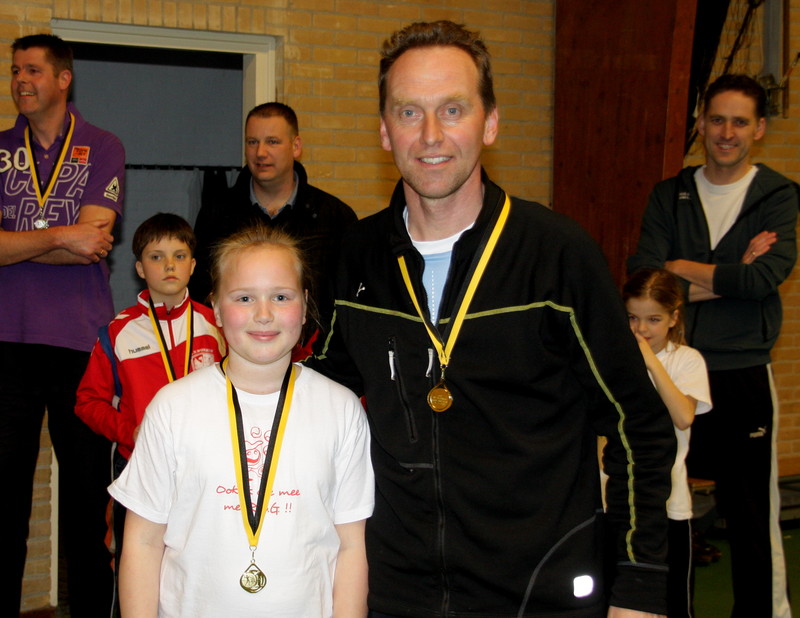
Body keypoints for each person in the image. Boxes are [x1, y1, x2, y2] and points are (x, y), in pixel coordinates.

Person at [311, 20, 675, 618]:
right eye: (409, 112)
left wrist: (639, 587)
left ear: (491, 123)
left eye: (453, 109)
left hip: (540, 590)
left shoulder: (557, 255)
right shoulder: (355, 255)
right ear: (383, 129)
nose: (431, 135)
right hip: (397, 592)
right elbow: (321, 395)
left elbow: (639, 424)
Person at [110, 225, 374, 617]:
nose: (263, 314)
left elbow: (351, 545)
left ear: (304, 304)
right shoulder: (172, 407)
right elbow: (143, 542)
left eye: (280, 297)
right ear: (216, 308)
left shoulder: (342, 409)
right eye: (244, 298)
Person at [628, 74, 798, 617]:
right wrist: (730, 274)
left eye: (740, 122)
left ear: (759, 128)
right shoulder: (669, 194)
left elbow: (762, 279)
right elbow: (645, 282)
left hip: (742, 372)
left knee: (751, 513)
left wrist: (680, 270)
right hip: (670, 371)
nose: (727, 132)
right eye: (717, 119)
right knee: (663, 503)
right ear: (700, 123)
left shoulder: (777, 196)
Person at [0, 33, 125, 616]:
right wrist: (59, 236)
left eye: (32, 70)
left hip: (80, 345)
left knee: (85, 498)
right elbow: (73, 241)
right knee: (4, 498)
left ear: (62, 78)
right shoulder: (1, 149)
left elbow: (93, 244)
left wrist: (17, 244)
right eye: (14, 71)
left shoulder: (102, 146)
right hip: (7, 342)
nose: (20, 81)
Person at [75, 213, 226, 569]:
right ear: (140, 268)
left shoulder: (217, 324)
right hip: (139, 466)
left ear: (193, 265)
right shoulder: (118, 332)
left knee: (198, 567)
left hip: (206, 468)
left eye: (179, 256)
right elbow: (87, 401)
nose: (169, 265)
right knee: (137, 566)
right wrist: (129, 431)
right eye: (156, 257)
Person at [191, 102, 357, 349]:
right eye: (252, 142)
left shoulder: (334, 217)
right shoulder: (216, 215)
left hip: (315, 359)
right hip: (233, 354)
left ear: (296, 146)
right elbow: (199, 293)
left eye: (272, 142)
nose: (260, 152)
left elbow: (349, 302)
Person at [623, 268, 712, 618]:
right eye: (632, 318)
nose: (641, 329)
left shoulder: (686, 360)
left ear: (674, 317)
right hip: (620, 500)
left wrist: (648, 360)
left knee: (674, 602)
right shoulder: (615, 359)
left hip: (668, 503)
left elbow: (684, 416)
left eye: (653, 319)